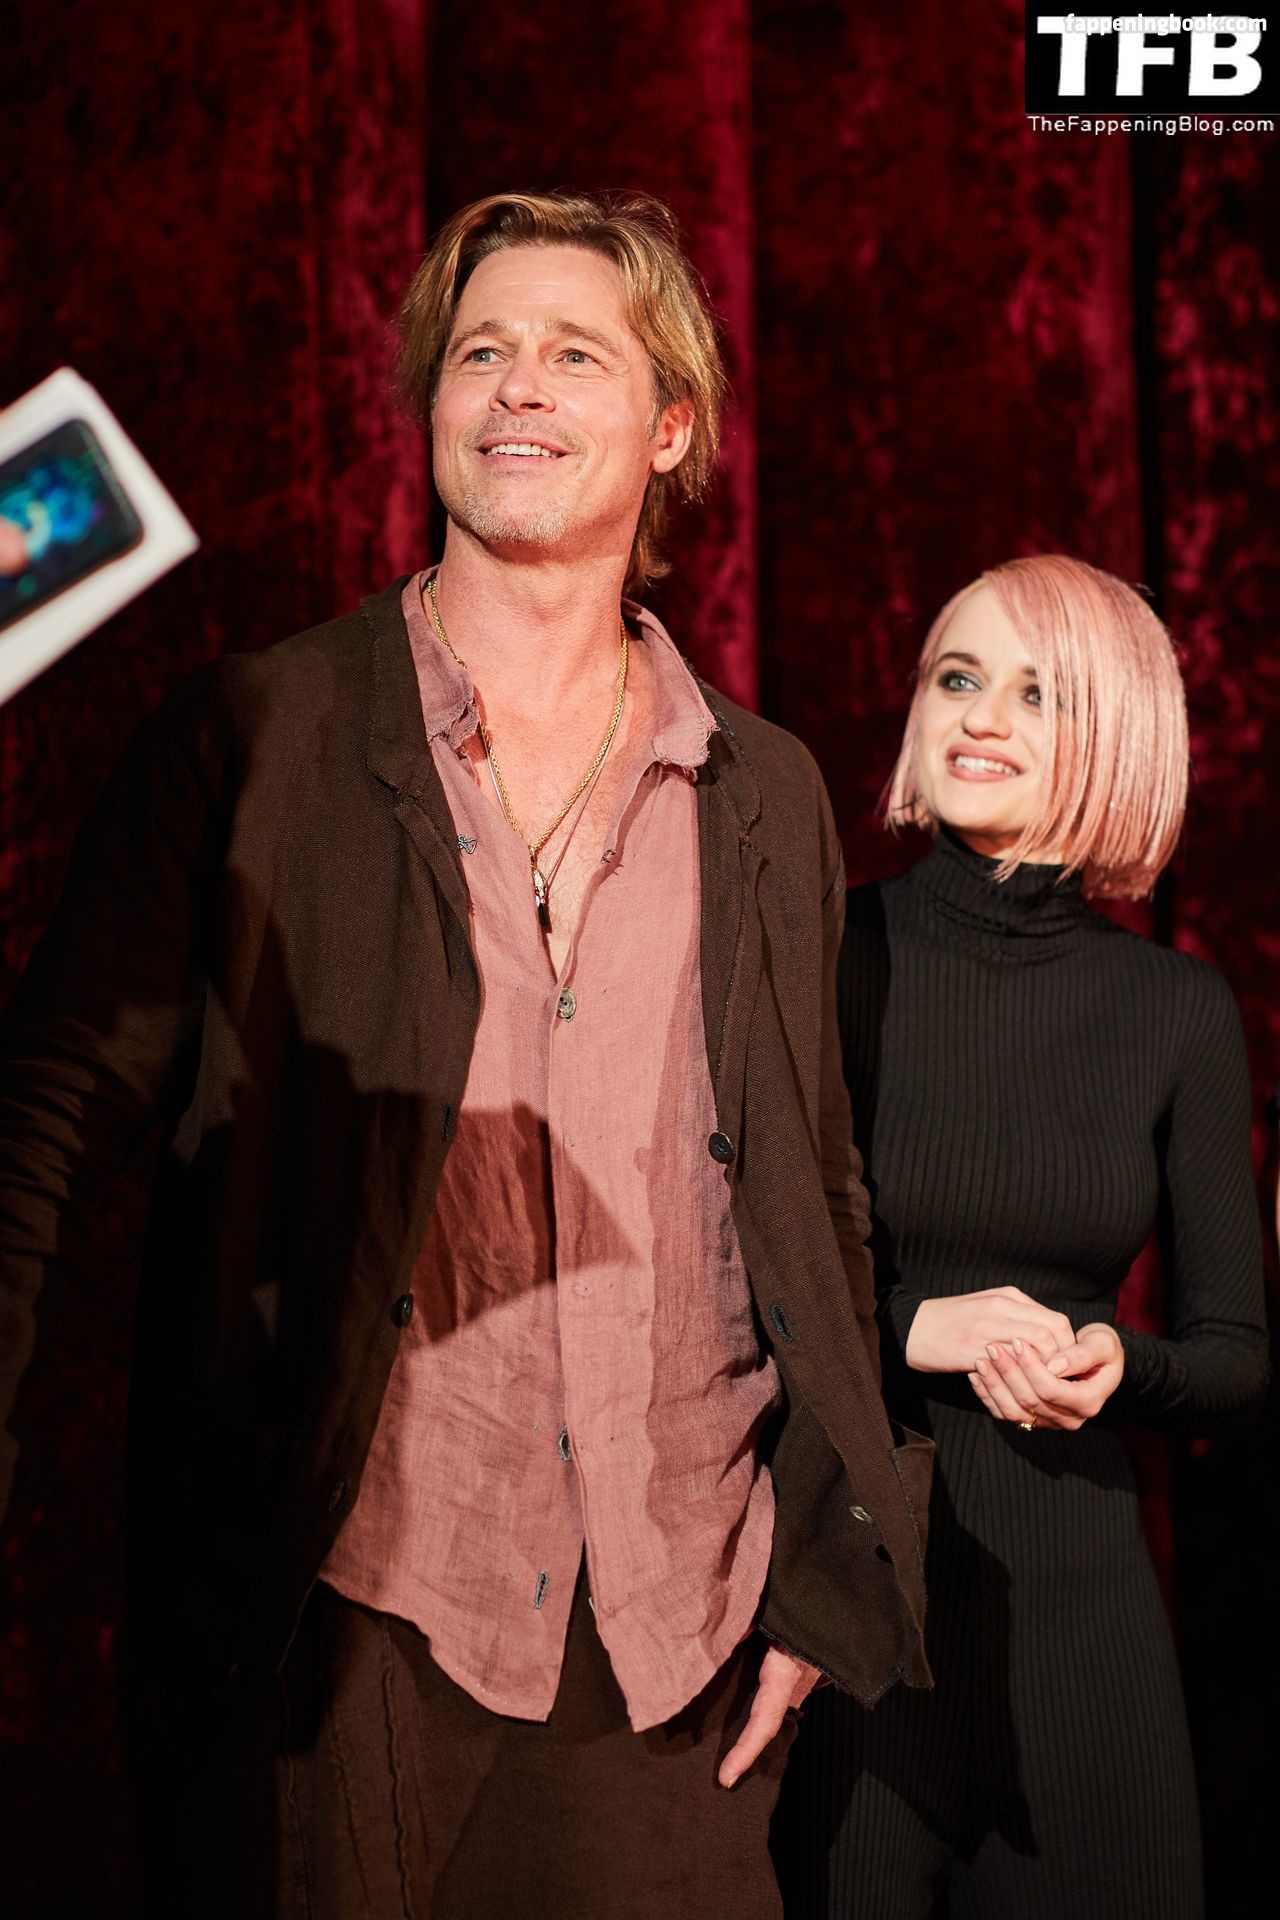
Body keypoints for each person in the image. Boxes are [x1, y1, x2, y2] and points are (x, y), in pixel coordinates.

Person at [0, 190, 930, 1920]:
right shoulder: (259, 731)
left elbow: (818, 1198)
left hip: (676, 1646)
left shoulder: (767, 791)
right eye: (480, 351)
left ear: (670, 428)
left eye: (575, 354)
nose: (517, 387)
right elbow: (42, 1118)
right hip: (348, 1625)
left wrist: (826, 1558)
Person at [773, 555, 1269, 1920]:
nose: (981, 716)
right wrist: (906, 1328)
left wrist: (1120, 1361)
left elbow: (1236, 1357)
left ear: (1117, 729)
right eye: (959, 676)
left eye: (1038, 693)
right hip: (851, 1612)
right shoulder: (823, 952)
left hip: (1083, 1636)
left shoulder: (1176, 1012)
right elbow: (713, 1286)